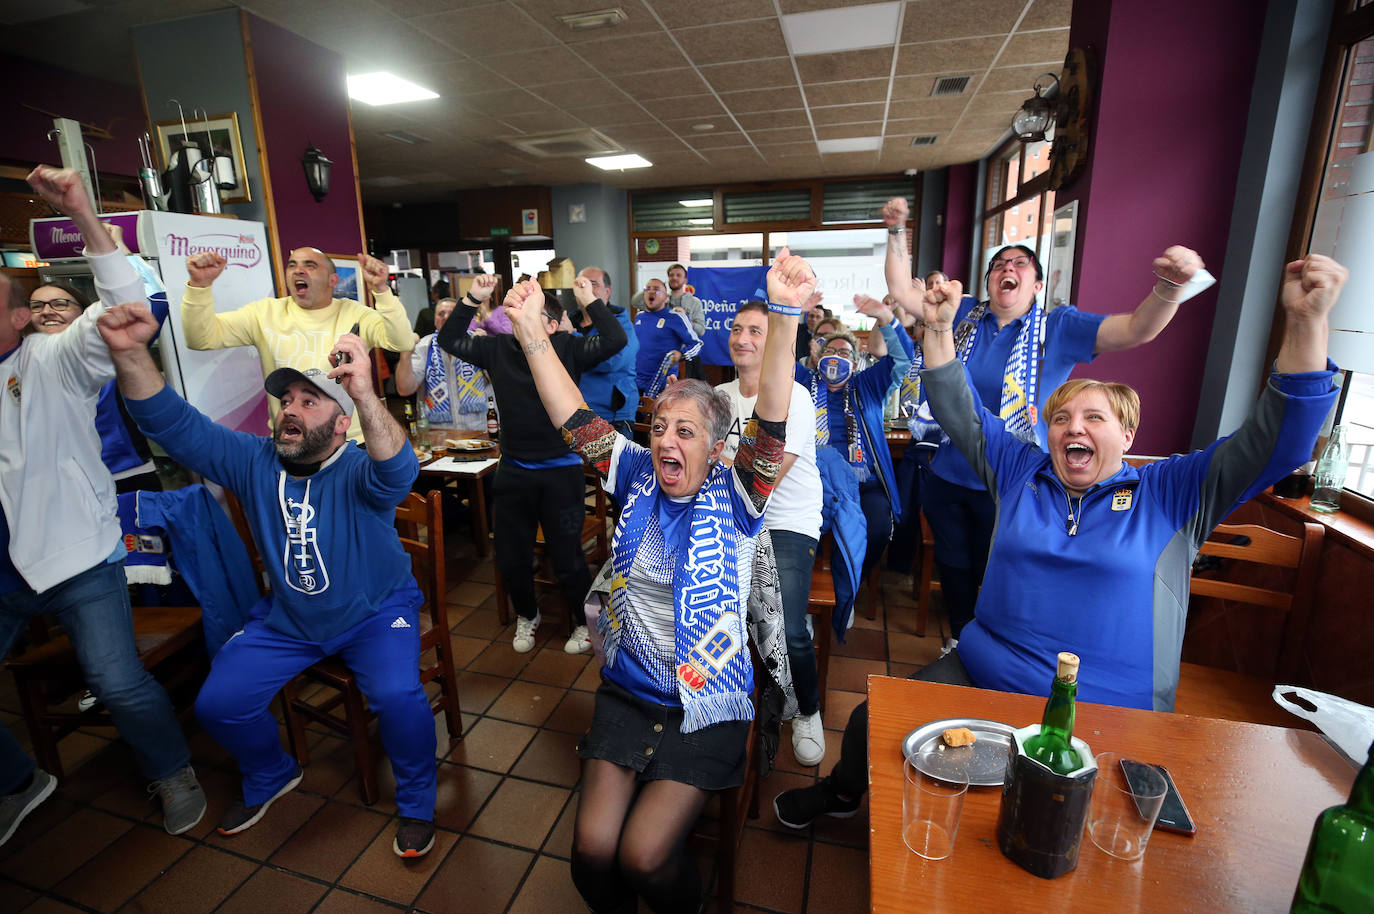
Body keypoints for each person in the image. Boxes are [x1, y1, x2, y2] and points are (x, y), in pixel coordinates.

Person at [773, 252, 1348, 830]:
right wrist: (941, 330)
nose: (1074, 427)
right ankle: (845, 792)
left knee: (1073, 835)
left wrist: (1305, 322)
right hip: (984, 675)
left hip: (1112, 712)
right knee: (875, 722)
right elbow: (959, 409)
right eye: (1062, 417)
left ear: (1128, 433)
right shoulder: (1022, 470)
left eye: (1094, 418)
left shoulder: (1172, 492)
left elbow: (1279, 444)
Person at [506, 246, 810, 914]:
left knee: (645, 856)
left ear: (717, 447)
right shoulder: (636, 472)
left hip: (706, 707)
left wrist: (784, 314)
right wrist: (531, 334)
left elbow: (775, 422)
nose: (668, 441)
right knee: (590, 856)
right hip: (630, 690)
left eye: (687, 432)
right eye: (660, 427)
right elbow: (573, 421)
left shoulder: (739, 494)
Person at [100, 303, 440, 857]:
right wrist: (130, 352)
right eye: (285, 400)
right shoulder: (253, 460)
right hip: (289, 621)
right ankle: (271, 772)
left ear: (338, 423)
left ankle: (418, 802)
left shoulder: (357, 466)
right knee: (218, 704)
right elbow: (169, 421)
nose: (290, 410)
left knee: (400, 695)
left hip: (376, 614)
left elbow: (398, 474)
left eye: (309, 401)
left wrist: (364, 395)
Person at [881, 195, 1203, 649]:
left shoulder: (1058, 328)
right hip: (950, 469)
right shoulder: (962, 317)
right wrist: (897, 229)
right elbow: (901, 289)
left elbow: (1136, 328)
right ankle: (958, 640)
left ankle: (1002, 643)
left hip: (1018, 477)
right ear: (991, 280)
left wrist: (1169, 287)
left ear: (1036, 284)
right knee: (953, 564)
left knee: (1002, 565)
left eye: (1020, 263)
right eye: (999, 264)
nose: (1007, 268)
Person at [0, 166, 205, 847]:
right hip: (4, 571)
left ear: (18, 317)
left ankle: (174, 771)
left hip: (78, 557)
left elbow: (135, 305)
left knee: (116, 682)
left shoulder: (52, 360)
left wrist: (83, 211)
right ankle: (19, 781)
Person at [437, 274, 628, 655]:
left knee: (568, 558)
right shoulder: (498, 348)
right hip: (513, 470)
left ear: (552, 324)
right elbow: (448, 338)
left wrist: (589, 300)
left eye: (532, 313)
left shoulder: (567, 347)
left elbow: (615, 339)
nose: (520, 319)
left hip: (561, 472)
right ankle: (528, 613)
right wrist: (474, 297)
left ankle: (579, 622)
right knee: (510, 556)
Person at [717, 301, 826, 767]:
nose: (743, 339)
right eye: (737, 329)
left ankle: (806, 709)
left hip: (785, 521)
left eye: (756, 332)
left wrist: (717, 461)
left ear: (776, 340)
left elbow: (765, 479)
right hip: (728, 513)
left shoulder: (795, 397)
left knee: (787, 624)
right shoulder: (718, 397)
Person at [180, 246, 412, 443]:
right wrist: (199, 287)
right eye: (292, 265)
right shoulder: (264, 313)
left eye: (310, 265)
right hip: (292, 440)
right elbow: (200, 338)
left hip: (350, 441)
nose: (298, 270)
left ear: (333, 279)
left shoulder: (356, 313)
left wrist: (381, 290)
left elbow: (400, 340)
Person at [798, 297, 914, 616]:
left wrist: (886, 318)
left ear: (857, 360)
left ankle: (847, 584)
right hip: (813, 481)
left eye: (845, 353)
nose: (837, 357)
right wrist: (793, 309)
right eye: (830, 352)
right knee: (799, 530)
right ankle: (807, 597)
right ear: (817, 358)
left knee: (877, 528)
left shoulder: (868, 385)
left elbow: (903, 358)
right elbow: (774, 357)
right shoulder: (800, 382)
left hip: (864, 485)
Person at [25, 271, 169, 493]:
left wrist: (119, 249)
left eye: (59, 304)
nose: (46, 311)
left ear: (83, 312)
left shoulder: (108, 345)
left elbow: (157, 301)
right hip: (58, 483)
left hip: (124, 474)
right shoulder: (21, 362)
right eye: (37, 306)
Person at [394, 296, 492, 432]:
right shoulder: (423, 347)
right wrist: (405, 352)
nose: (446, 317)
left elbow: (501, 383)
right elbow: (404, 389)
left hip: (480, 433)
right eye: (441, 314)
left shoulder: (477, 343)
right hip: (439, 437)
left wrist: (488, 351)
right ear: (435, 320)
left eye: (452, 313)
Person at [574, 266, 639, 438]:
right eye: (580, 283)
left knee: (613, 466)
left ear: (607, 292)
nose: (585, 288)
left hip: (613, 417)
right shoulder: (570, 321)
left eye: (592, 284)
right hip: (574, 413)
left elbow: (612, 361)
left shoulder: (621, 323)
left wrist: (571, 340)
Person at [635, 278, 703, 397]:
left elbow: (697, 344)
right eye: (647, 289)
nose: (651, 292)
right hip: (635, 384)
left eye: (656, 289)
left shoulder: (676, 317)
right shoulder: (639, 317)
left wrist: (681, 355)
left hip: (663, 387)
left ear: (666, 297)